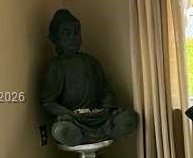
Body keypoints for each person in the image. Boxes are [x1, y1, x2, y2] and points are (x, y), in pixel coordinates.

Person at [41, 8, 137, 146]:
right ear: (54, 38)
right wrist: (70, 114)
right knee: (60, 130)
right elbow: (48, 102)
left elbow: (106, 91)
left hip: (98, 117)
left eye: (76, 32)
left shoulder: (90, 62)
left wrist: (106, 108)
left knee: (128, 119)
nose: (73, 37)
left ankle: (92, 134)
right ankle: (80, 135)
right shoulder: (56, 66)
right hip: (74, 120)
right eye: (66, 33)